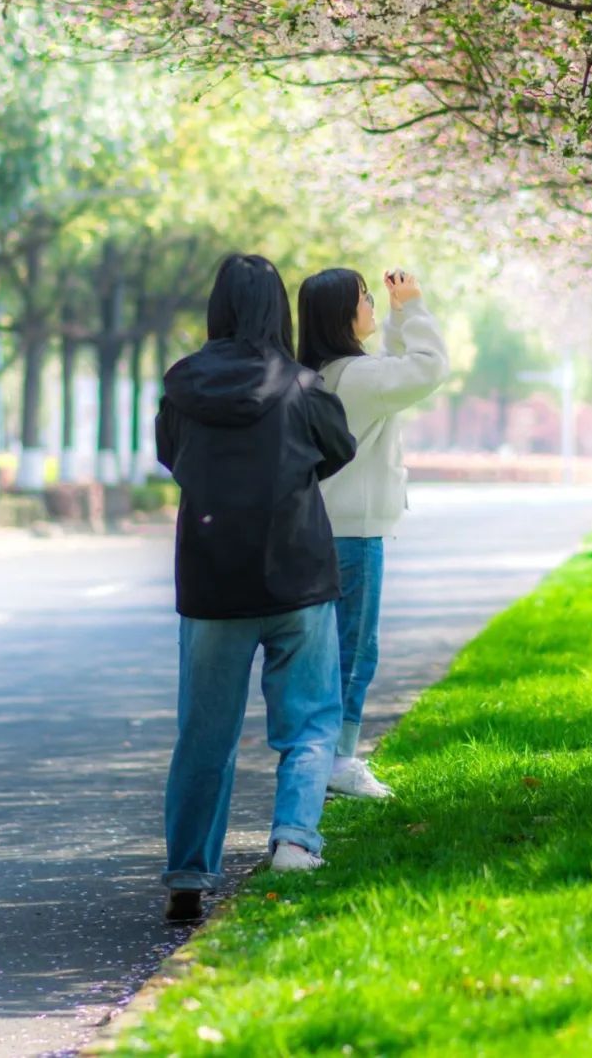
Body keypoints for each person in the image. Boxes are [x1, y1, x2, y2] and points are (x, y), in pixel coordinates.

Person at [155, 252, 356, 924]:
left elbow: (173, 458)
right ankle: (295, 840)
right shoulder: (303, 388)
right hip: (298, 579)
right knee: (308, 723)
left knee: (204, 734)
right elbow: (339, 450)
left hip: (212, 584)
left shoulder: (182, 389)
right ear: (279, 310)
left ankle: (187, 875)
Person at [297, 266, 449, 800]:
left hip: (317, 527)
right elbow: (427, 368)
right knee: (355, 649)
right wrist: (411, 308)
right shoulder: (362, 380)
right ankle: (339, 758)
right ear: (344, 314)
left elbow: (393, 367)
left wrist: (397, 319)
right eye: (366, 299)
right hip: (355, 534)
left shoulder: (321, 374)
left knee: (322, 650)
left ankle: (319, 752)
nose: (373, 306)